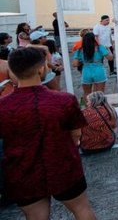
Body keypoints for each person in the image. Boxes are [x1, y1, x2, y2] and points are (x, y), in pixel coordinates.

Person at [0, 47, 95, 219]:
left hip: (23, 170)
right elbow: (76, 134)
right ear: (41, 68)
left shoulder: (3, 106)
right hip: (62, 165)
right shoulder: (63, 100)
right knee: (82, 210)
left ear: (12, 71)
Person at [73, 32, 113, 100]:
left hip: (86, 71)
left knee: (86, 93)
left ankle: (88, 109)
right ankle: (99, 108)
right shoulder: (100, 47)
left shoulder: (80, 49)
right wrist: (108, 49)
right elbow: (110, 58)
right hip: (99, 70)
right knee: (100, 93)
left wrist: (82, 61)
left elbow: (75, 64)